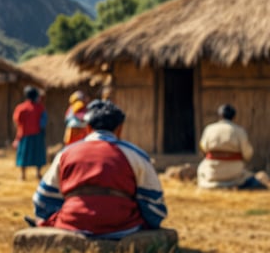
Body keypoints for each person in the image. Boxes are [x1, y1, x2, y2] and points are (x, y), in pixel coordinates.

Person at [29, 100, 167, 239]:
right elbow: (154, 204)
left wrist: (50, 219)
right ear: (119, 129)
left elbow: (43, 199)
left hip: (73, 225)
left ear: (87, 128)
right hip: (123, 227)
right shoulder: (136, 155)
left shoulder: (66, 153)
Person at [197, 104, 266, 189]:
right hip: (234, 175)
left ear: (219, 115)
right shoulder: (239, 131)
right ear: (233, 117)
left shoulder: (209, 129)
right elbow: (247, 153)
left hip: (212, 173)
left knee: (201, 168)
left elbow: (203, 148)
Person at [13, 86, 47, 180]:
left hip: (24, 135)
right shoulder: (40, 107)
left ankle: (22, 175)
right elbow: (43, 122)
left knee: (23, 155)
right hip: (37, 135)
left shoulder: (21, 108)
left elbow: (17, 120)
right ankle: (38, 173)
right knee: (38, 155)